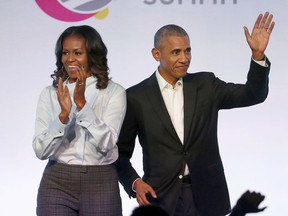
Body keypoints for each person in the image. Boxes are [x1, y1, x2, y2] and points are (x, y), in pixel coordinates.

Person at [116, 12, 275, 216]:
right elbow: (119, 153)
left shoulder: (206, 85)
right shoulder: (135, 97)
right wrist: (135, 183)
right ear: (157, 54)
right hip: (160, 198)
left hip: (207, 195)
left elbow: (253, 94)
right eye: (176, 52)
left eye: (188, 51)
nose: (184, 58)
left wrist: (258, 56)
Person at [32, 25, 126, 216]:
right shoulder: (50, 94)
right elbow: (41, 151)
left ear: (92, 55)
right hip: (57, 180)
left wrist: (82, 106)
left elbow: (108, 142)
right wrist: (62, 117)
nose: (70, 59)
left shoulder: (114, 92)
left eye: (77, 52)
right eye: (65, 53)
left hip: (100, 180)